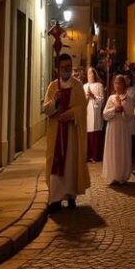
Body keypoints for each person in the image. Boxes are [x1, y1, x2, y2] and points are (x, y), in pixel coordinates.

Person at [42, 54, 91, 213]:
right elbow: (46, 109)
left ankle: (70, 196)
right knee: (56, 166)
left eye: (69, 67)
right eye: (63, 68)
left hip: (71, 133)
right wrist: (55, 101)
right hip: (56, 132)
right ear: (58, 69)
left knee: (70, 164)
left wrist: (70, 114)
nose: (66, 70)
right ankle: (55, 199)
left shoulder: (77, 86)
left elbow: (82, 109)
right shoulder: (53, 86)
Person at [102, 75, 134, 185]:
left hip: (123, 128)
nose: (117, 85)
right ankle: (113, 175)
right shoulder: (111, 98)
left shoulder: (128, 99)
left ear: (124, 84)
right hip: (112, 128)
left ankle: (122, 175)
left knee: (122, 150)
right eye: (115, 83)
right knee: (113, 150)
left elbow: (130, 116)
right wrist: (114, 109)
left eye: (119, 83)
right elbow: (105, 114)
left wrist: (123, 109)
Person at [84, 67, 105, 162]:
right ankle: (88, 155)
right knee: (87, 131)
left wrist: (93, 96)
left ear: (94, 74)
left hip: (95, 111)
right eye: (88, 73)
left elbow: (101, 99)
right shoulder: (84, 86)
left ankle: (95, 155)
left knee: (95, 131)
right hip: (87, 110)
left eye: (91, 73)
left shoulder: (99, 85)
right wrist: (86, 97)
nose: (90, 75)